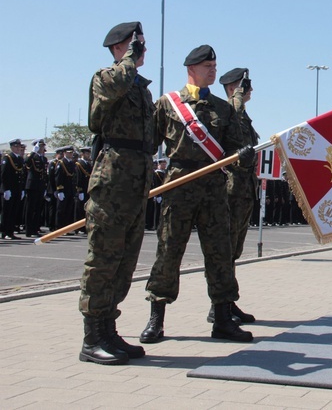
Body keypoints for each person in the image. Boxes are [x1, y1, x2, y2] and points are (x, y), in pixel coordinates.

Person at [140, 45, 255, 344]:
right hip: (179, 184)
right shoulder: (168, 105)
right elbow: (149, 145)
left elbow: (233, 147)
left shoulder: (223, 108)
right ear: (191, 69)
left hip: (214, 186)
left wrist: (242, 155)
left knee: (219, 252)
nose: (213, 70)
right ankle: (157, 318)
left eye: (214, 65)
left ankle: (222, 318)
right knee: (169, 250)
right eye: (207, 66)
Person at [78, 21, 156, 365]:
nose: (140, 48)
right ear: (117, 48)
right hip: (111, 181)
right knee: (103, 260)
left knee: (125, 261)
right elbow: (111, 94)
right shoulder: (106, 77)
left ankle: (109, 330)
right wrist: (128, 60)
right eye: (133, 43)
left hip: (137, 182)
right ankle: (92, 337)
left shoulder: (142, 89)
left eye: (141, 42)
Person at [205, 67, 259, 324]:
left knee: (233, 251)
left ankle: (227, 302)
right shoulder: (228, 111)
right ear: (232, 88)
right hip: (230, 189)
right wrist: (236, 98)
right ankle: (219, 306)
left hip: (244, 189)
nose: (249, 89)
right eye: (244, 85)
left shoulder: (243, 115)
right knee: (224, 250)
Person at [2, 139, 27, 240]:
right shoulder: (7, 158)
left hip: (17, 189)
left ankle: (11, 232)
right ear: (12, 147)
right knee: (7, 212)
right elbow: (4, 175)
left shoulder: (19, 159)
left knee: (14, 212)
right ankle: (4, 232)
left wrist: (21, 189)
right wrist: (5, 189)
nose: (18, 149)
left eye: (19, 147)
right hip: (9, 189)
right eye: (16, 147)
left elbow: (21, 175)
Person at [24, 139, 48, 237]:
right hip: (32, 186)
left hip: (40, 186)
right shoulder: (32, 156)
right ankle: (29, 230)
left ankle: (35, 228)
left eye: (43, 147)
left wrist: (45, 186)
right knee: (30, 209)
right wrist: (33, 152)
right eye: (40, 146)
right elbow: (26, 162)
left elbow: (43, 173)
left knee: (37, 209)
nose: (42, 148)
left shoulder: (43, 158)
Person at [54, 146, 77, 230]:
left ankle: (67, 228)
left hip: (70, 189)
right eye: (69, 152)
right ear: (64, 153)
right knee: (61, 210)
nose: (70, 154)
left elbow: (74, 178)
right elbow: (58, 177)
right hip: (63, 189)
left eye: (71, 153)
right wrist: (60, 190)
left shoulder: (72, 163)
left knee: (69, 209)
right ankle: (59, 227)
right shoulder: (61, 163)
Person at [75, 147, 93, 230]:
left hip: (87, 189)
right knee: (80, 209)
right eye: (86, 153)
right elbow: (78, 178)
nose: (88, 155)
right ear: (82, 154)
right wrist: (79, 190)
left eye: (89, 153)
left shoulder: (88, 164)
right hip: (82, 189)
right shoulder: (79, 164)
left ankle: (85, 227)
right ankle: (78, 228)